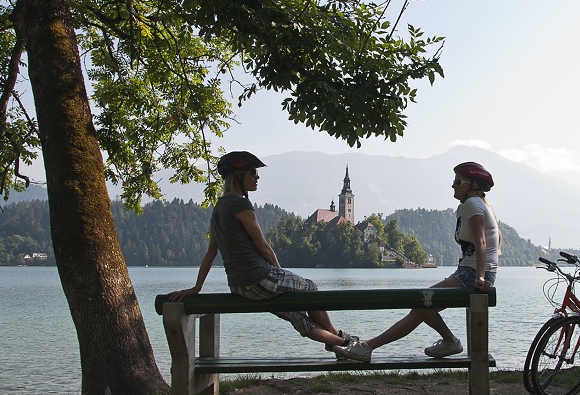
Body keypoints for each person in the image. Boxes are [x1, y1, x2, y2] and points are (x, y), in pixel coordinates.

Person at [168, 151, 353, 352]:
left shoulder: (220, 207)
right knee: (310, 289)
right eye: (252, 173)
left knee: (296, 315)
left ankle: (339, 343)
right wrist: (280, 273)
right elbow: (262, 246)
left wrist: (196, 288)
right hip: (260, 278)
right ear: (238, 177)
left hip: (239, 286)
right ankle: (344, 341)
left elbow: (212, 251)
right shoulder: (240, 204)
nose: (257, 177)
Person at [333, 161, 500, 362]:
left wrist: (481, 276)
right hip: (467, 272)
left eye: (458, 181)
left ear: (472, 185)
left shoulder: (473, 204)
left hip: (473, 275)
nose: (452, 185)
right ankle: (368, 347)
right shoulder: (469, 205)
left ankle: (448, 341)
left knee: (420, 303)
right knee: (420, 307)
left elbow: (481, 241)